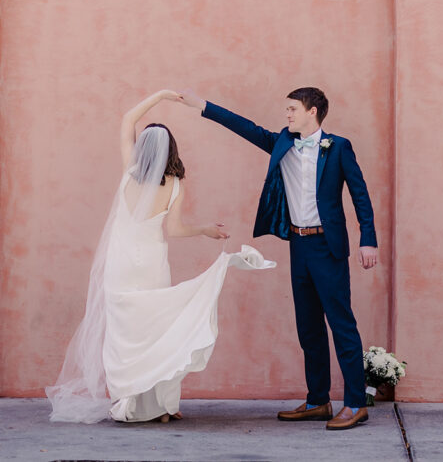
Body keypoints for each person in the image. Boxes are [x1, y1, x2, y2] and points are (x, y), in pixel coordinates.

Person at [46, 89, 275, 424]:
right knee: (157, 333)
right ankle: (162, 407)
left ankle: (134, 404)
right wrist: (205, 230)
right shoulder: (176, 184)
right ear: (172, 150)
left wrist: (161, 96)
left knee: (126, 334)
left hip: (122, 264)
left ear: (142, 148)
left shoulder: (129, 172)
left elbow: (127, 120)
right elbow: (176, 230)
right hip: (153, 264)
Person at [179, 87, 378, 431]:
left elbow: (360, 195)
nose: (286, 115)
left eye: (292, 109)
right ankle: (318, 401)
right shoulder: (283, 143)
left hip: (328, 247)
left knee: (341, 324)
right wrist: (204, 106)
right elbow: (246, 127)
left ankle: (356, 403)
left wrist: (368, 241)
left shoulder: (339, 147)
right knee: (308, 327)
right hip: (298, 245)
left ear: (312, 111)